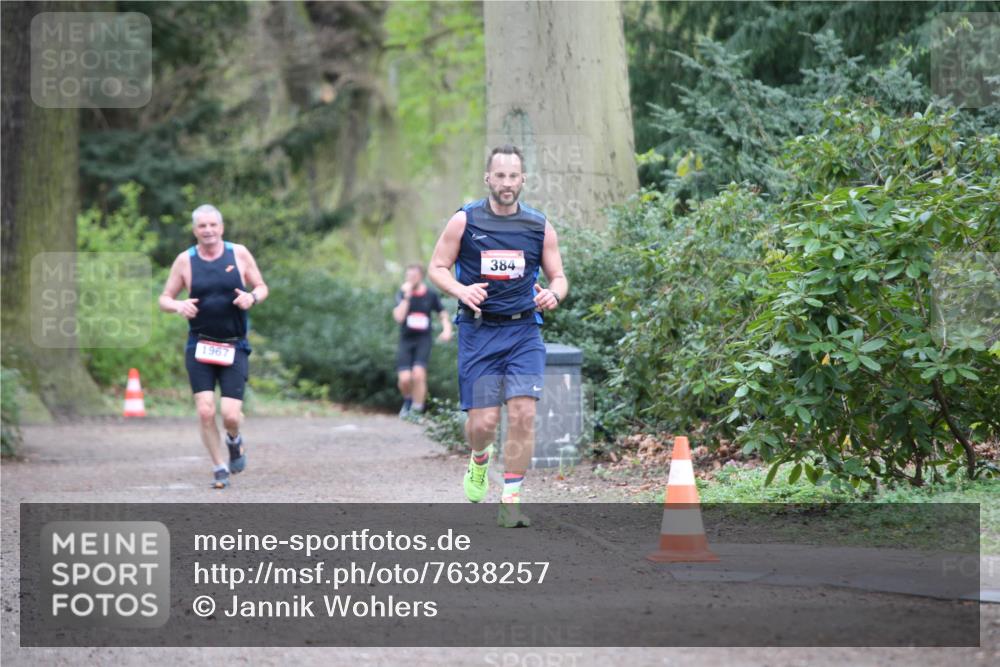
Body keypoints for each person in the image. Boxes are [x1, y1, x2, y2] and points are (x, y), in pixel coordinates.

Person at [428, 144, 568, 527]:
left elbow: (558, 276)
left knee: (523, 413)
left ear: (523, 179)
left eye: (513, 176)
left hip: (524, 331)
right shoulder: (465, 221)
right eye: (500, 175)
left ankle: (511, 499)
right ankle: (479, 459)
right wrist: (460, 290)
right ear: (488, 178)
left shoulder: (539, 225)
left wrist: (553, 294)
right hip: (479, 332)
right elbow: (437, 267)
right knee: (483, 424)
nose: (507, 183)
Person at [159, 204, 269, 489]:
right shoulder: (185, 260)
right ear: (195, 230)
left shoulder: (239, 253)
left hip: (233, 345)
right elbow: (164, 299)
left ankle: (234, 439)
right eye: (202, 226)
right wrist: (178, 305)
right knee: (206, 410)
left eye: (212, 225)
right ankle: (219, 466)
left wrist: (251, 298)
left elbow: (261, 287)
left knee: (231, 415)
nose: (208, 230)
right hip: (200, 345)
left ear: (221, 227)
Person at [393, 263, 452, 419]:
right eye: (408, 276)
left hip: (423, 339)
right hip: (406, 339)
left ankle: (417, 410)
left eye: (414, 276)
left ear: (421, 276)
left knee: (419, 374)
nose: (411, 279)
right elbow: (399, 317)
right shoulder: (402, 293)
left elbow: (442, 313)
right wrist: (406, 297)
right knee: (405, 378)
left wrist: (446, 329)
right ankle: (408, 400)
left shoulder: (430, 295)